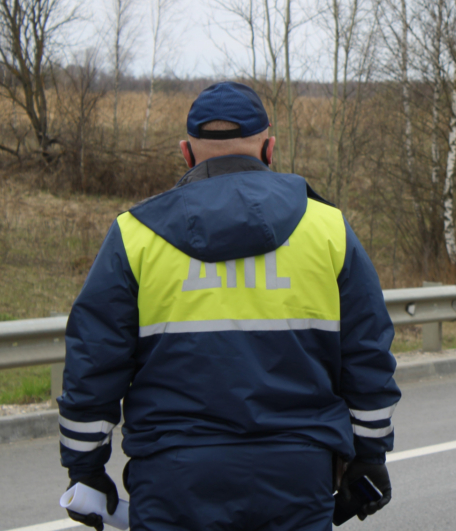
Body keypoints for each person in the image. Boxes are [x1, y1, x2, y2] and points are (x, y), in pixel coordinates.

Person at [57, 82, 400, 531]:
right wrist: (368, 457)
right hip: (296, 475)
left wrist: (85, 468)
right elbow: (368, 353)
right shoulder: (328, 228)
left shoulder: (135, 234)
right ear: (269, 148)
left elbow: (94, 360)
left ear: (186, 153)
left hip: (173, 478)